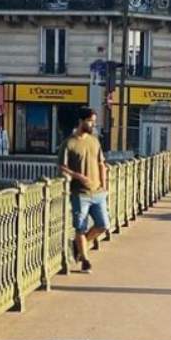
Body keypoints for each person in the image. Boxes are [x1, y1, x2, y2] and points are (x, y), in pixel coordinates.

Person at [58, 106, 108, 273]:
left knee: (103, 225)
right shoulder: (69, 143)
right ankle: (85, 260)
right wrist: (78, 176)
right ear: (81, 121)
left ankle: (79, 245)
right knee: (80, 226)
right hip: (80, 193)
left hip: (98, 191)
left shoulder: (94, 141)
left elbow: (102, 163)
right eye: (90, 121)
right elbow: (62, 167)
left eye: (93, 122)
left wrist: (104, 185)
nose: (92, 125)